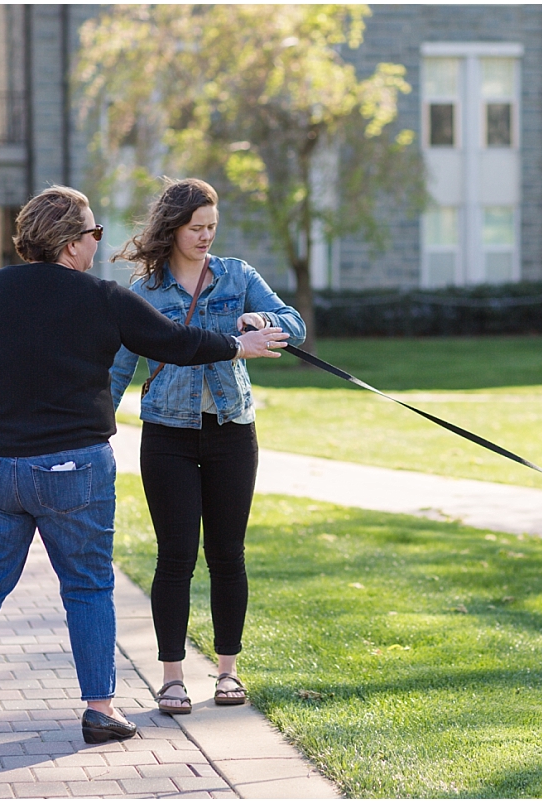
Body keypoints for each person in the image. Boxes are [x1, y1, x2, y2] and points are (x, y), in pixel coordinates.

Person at [0, 185, 289, 746]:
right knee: (89, 585)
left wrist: (10, 371)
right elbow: (175, 342)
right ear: (71, 243)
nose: (99, 242)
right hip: (71, 467)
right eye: (94, 233)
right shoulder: (102, 297)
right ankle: (99, 709)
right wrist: (239, 347)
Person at [108, 178, 305, 714]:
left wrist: (260, 319)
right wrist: (90, 420)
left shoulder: (237, 276)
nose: (205, 237)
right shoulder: (146, 291)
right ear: (173, 227)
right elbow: (118, 369)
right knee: (175, 556)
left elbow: (296, 326)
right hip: (167, 434)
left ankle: (227, 672)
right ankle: (172, 677)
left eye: (212, 228)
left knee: (227, 554)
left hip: (232, 432)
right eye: (196, 228)